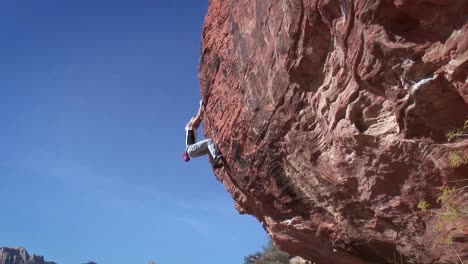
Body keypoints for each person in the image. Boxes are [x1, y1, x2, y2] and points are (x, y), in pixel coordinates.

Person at [182, 100, 223, 168]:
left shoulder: (193, 128)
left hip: (192, 153)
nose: (193, 118)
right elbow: (198, 115)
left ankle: (214, 164)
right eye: (193, 118)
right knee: (209, 141)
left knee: (208, 149)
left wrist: (202, 112)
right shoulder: (189, 125)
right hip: (191, 148)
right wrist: (201, 104)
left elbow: (200, 117)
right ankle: (215, 157)